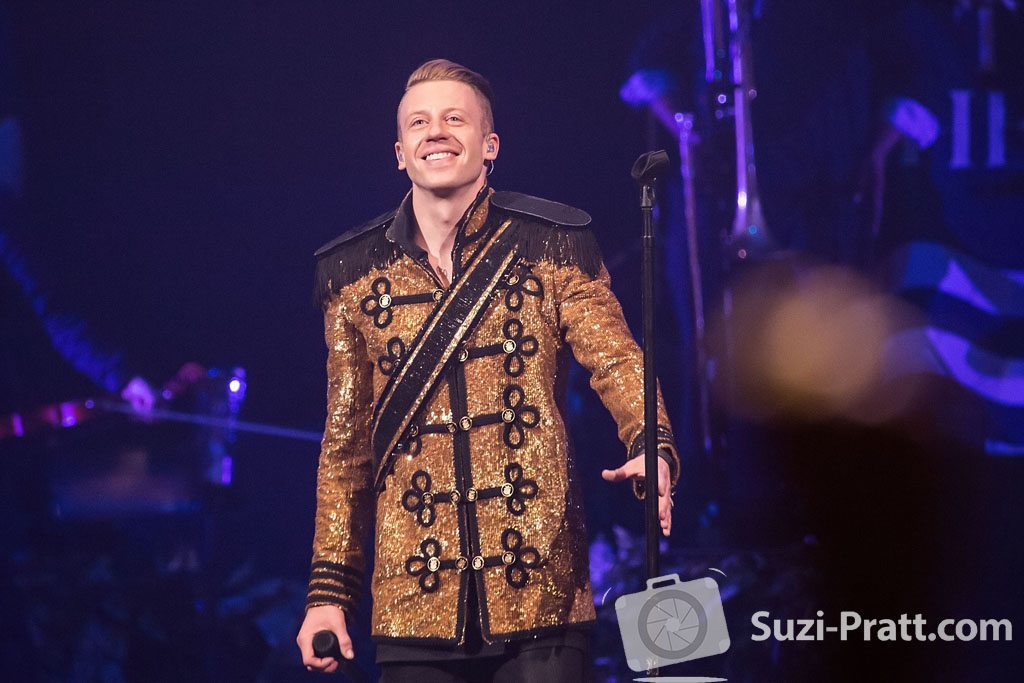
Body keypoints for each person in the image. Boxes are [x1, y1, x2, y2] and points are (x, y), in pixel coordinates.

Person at [295, 59, 679, 681]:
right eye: (419, 123)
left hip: (542, 590)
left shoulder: (551, 244)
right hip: (412, 601)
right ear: (400, 154)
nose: (436, 132)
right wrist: (328, 594)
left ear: (490, 144)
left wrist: (650, 443)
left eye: (454, 118)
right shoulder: (353, 274)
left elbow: (616, 358)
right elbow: (345, 447)